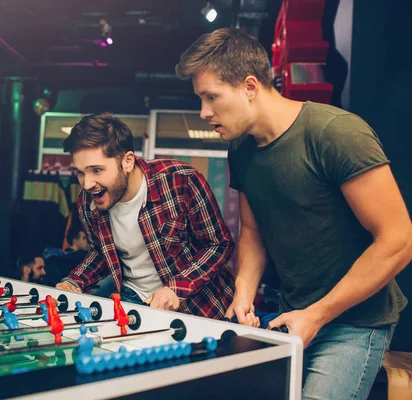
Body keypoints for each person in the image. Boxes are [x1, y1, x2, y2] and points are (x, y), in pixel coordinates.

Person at [175, 28, 412, 399]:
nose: (204, 112)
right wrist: (243, 292)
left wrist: (318, 313)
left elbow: (399, 240)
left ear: (250, 86)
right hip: (293, 316)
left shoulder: (336, 133)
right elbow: (253, 232)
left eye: (211, 97)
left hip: (355, 321)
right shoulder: (241, 150)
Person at [55, 112, 235, 318]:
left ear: (128, 161)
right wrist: (74, 280)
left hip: (200, 307)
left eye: (97, 170)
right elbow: (101, 253)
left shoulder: (181, 181)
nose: (86, 184)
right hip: (133, 301)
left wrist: (176, 288)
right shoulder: (88, 202)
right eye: (80, 172)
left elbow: (218, 244)